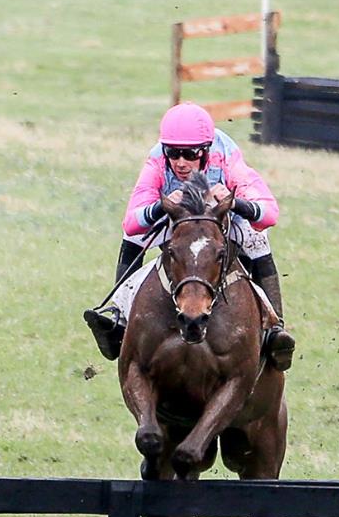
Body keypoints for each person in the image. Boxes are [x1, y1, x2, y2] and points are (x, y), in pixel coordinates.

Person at [82, 103, 294, 369]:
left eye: (190, 154)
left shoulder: (226, 153)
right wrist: (160, 207)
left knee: (256, 238)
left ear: (206, 150)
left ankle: (275, 329)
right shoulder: (156, 159)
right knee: (133, 236)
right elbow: (132, 221)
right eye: (173, 153)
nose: (180, 162)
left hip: (220, 218)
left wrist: (235, 203)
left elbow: (269, 214)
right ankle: (118, 318)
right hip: (178, 219)